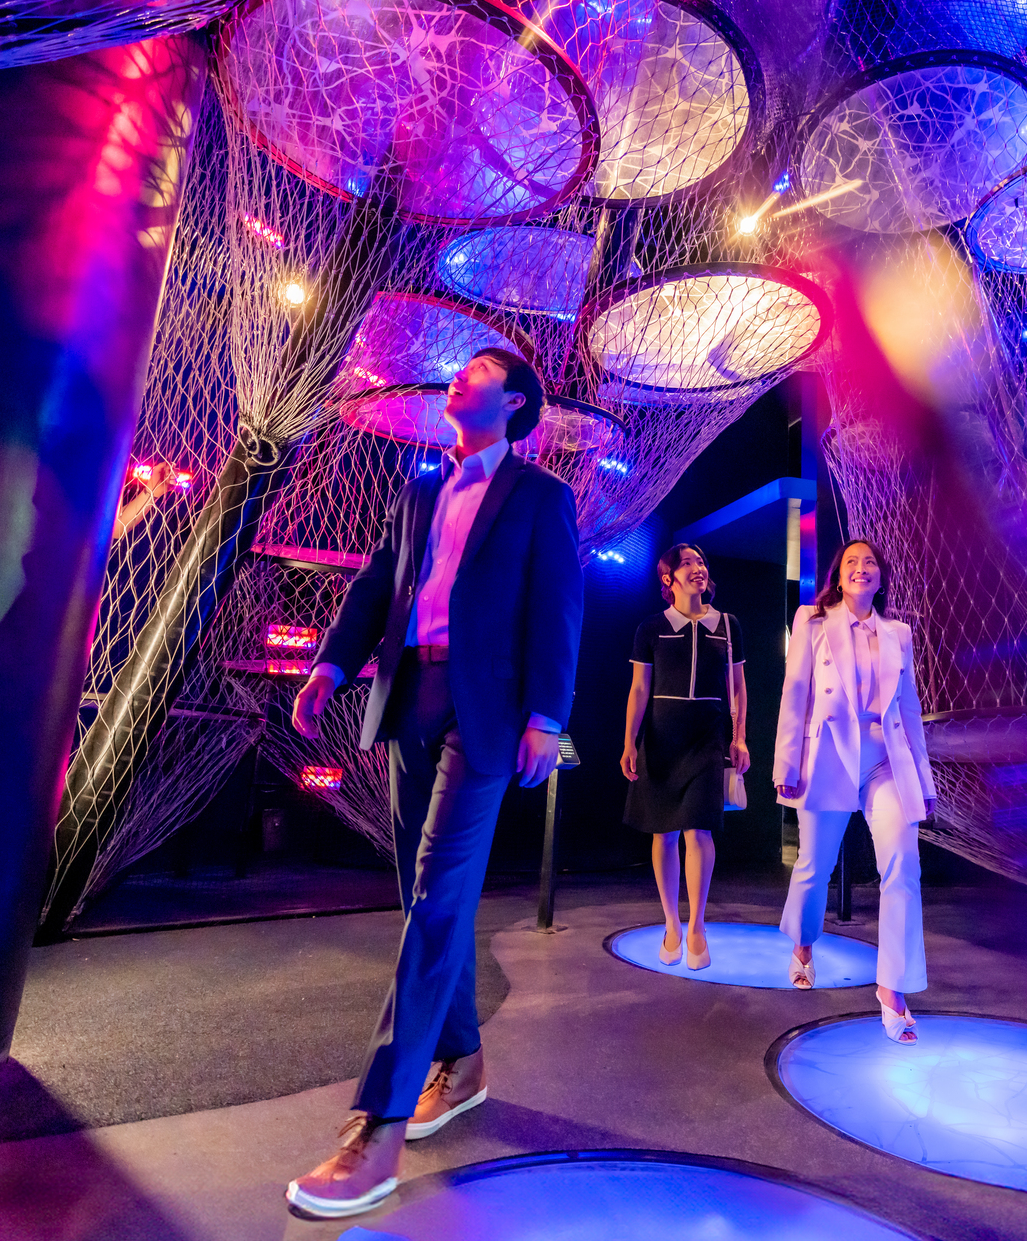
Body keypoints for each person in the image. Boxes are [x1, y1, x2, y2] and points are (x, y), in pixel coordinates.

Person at [282, 347, 583, 1218]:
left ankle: (374, 1130)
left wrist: (547, 716)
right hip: (406, 695)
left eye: (481, 369)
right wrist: (332, 667)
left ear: (515, 401)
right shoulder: (418, 491)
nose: (461, 374)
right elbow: (378, 588)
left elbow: (560, 609)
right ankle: (466, 1064)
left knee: (439, 897)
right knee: (421, 901)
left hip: (486, 714)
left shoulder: (542, 498)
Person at [773, 539, 935, 1044]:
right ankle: (802, 945)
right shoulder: (813, 624)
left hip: (885, 761)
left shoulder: (899, 634)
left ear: (881, 578)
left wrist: (923, 781)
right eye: (851, 563)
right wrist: (785, 761)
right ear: (838, 578)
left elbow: (909, 712)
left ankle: (893, 988)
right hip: (826, 757)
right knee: (813, 865)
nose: (862, 569)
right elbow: (795, 690)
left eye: (870, 563)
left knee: (903, 867)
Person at [620, 543, 749, 970]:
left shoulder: (727, 625)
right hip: (661, 737)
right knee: (664, 833)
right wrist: (628, 743)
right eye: (688, 562)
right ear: (668, 578)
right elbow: (639, 689)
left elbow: (738, 688)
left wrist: (740, 737)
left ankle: (696, 925)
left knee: (700, 830)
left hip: (708, 737)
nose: (698, 567)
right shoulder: (651, 627)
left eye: (701, 561)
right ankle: (671, 923)